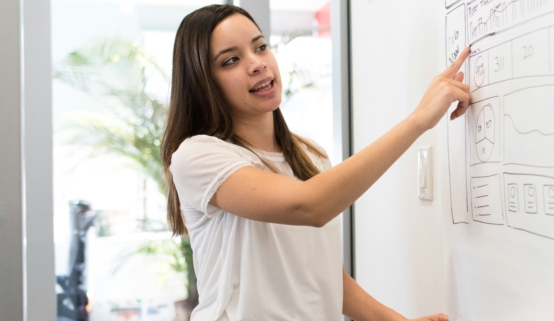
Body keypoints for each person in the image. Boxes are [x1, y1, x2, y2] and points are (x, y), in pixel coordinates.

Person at [160, 4, 470, 321]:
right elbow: (309, 206)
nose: (256, 64)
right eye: (231, 60)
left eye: (260, 47)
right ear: (203, 82)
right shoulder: (196, 155)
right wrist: (418, 120)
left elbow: (323, 276)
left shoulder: (311, 156)